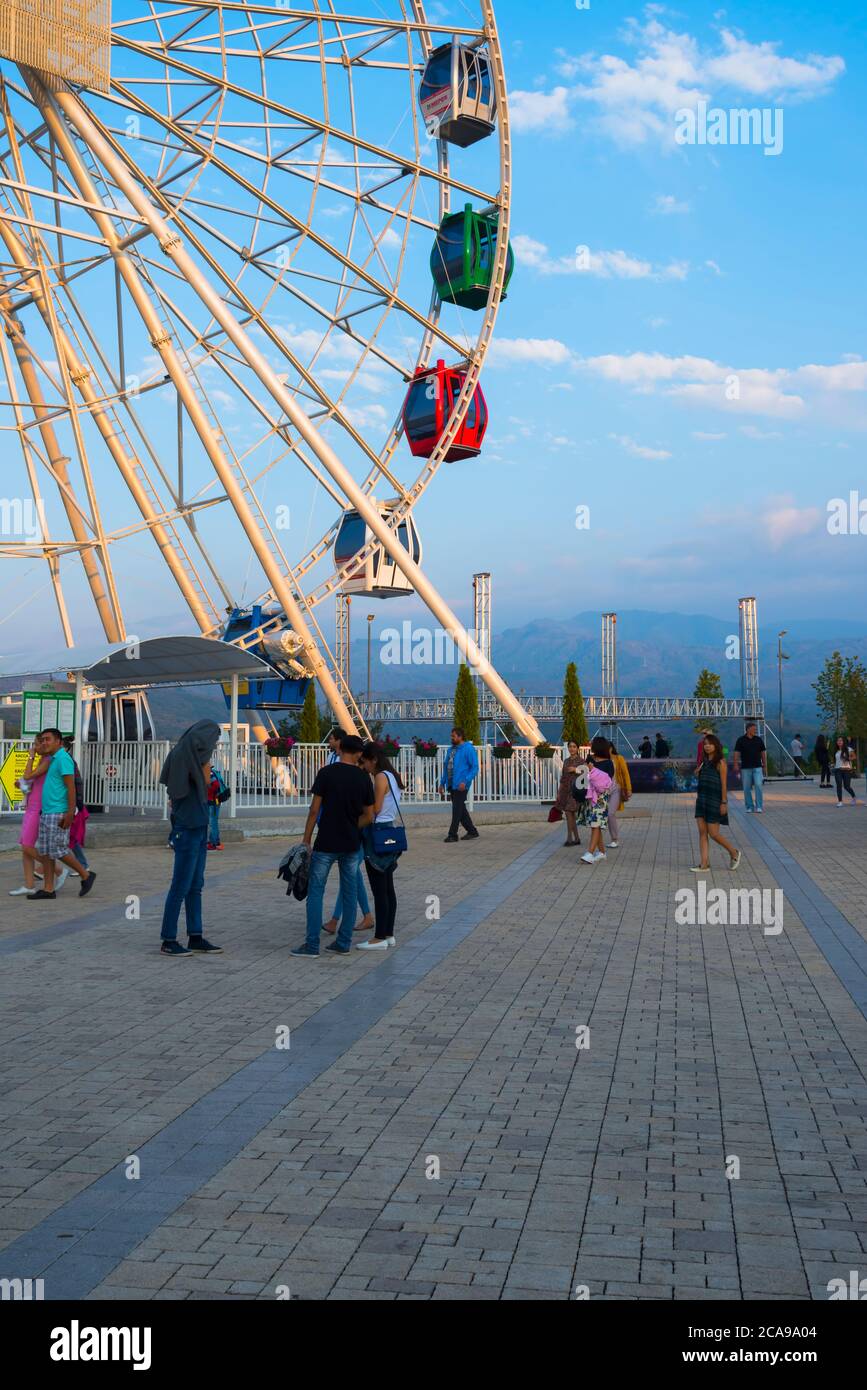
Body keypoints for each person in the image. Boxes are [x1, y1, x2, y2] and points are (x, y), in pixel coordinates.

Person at [292, 733, 375, 957]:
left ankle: (311, 945)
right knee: (349, 892)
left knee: (316, 891)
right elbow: (369, 815)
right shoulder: (363, 778)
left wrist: (306, 839)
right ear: (358, 753)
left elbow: (314, 810)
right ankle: (343, 942)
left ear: (339, 750)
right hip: (350, 843)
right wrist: (352, 825)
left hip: (326, 841)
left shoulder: (326, 774)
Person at [159, 719, 223, 955]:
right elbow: (205, 781)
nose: (214, 746)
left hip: (198, 826)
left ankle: (195, 935)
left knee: (196, 884)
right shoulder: (189, 760)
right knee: (181, 885)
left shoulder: (190, 757)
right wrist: (205, 764)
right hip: (187, 828)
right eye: (213, 741)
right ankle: (168, 938)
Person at [27, 728, 95, 900]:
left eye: (48, 739)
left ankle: (86, 875)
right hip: (48, 812)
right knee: (46, 852)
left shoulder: (63, 759)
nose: (44, 743)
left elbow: (70, 787)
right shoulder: (54, 759)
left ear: (58, 741)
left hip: (58, 812)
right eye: (42, 740)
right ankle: (48, 889)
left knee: (59, 850)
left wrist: (70, 813)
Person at [322, 735, 375, 937]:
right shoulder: (360, 774)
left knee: (351, 875)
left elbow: (369, 811)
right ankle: (364, 916)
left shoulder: (361, 775)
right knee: (353, 875)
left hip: (358, 832)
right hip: (356, 831)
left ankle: (338, 921)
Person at [356, 741, 404, 951]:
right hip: (391, 831)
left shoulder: (380, 777)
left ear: (373, 759)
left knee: (379, 888)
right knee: (388, 888)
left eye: (364, 762)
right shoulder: (392, 775)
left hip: (378, 832)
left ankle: (379, 937)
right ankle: (389, 933)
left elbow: (375, 809)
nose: (363, 766)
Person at [9, 735, 67, 896]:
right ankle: (29, 885)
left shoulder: (48, 760)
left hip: (39, 807)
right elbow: (32, 780)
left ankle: (58, 870)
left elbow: (28, 775)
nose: (34, 747)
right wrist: (22, 783)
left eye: (36, 744)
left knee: (28, 846)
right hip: (31, 806)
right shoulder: (42, 760)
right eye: (34, 745)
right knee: (25, 847)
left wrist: (30, 756)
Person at [692, 733, 740, 871]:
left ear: (716, 746)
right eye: (705, 744)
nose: (707, 746)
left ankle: (733, 852)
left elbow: (724, 785)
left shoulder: (721, 762)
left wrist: (724, 802)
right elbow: (701, 777)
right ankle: (704, 864)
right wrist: (698, 771)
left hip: (715, 800)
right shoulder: (703, 762)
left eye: (710, 744)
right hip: (701, 799)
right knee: (702, 832)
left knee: (713, 834)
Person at [439, 726, 479, 842]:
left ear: (460, 737)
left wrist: (465, 780)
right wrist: (442, 784)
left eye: (453, 736)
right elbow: (446, 768)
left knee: (456, 810)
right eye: (451, 736)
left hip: (461, 785)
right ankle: (472, 831)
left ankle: (453, 835)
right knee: (460, 810)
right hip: (452, 785)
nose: (451, 738)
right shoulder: (450, 750)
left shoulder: (468, 749)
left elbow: (475, 767)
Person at [581, 737, 613, 864]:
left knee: (596, 824)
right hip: (591, 796)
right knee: (595, 825)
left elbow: (605, 781)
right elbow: (584, 776)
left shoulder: (608, 763)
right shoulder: (590, 759)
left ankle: (590, 853)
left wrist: (592, 770)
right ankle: (602, 852)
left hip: (601, 798)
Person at [554, 740, 584, 847]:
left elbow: (586, 773)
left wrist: (576, 770)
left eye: (574, 746)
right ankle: (577, 838)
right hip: (567, 791)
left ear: (577, 748)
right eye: (570, 746)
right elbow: (563, 777)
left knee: (568, 812)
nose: (572, 748)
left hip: (576, 792)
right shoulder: (566, 761)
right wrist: (560, 792)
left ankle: (569, 838)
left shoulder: (581, 761)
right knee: (570, 815)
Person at [733, 721, 767, 814]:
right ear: (748, 729)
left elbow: (763, 753)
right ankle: (749, 806)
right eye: (753, 729)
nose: (755, 730)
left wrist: (764, 765)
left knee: (758, 785)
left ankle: (759, 806)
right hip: (745, 767)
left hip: (757, 767)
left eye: (755, 729)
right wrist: (735, 764)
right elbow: (736, 752)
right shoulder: (741, 740)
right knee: (746, 787)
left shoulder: (758, 740)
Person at [607, 741, 632, 848]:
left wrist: (629, 788)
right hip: (605, 791)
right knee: (608, 815)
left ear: (612, 748)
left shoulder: (619, 758)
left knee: (610, 813)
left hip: (616, 789)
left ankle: (615, 839)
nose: (606, 750)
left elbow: (625, 773)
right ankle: (612, 838)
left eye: (608, 748)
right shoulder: (602, 760)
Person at [832, 736, 857, 807]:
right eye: (838, 741)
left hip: (846, 770)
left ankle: (854, 797)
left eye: (841, 740)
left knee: (847, 786)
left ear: (843, 742)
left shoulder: (848, 749)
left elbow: (854, 757)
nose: (839, 742)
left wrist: (847, 758)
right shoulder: (836, 750)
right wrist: (833, 764)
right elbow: (836, 760)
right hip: (838, 770)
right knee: (839, 785)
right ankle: (840, 801)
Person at [206, 763, 226, 850]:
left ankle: (213, 843)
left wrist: (209, 795)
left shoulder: (209, 774)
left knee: (212, 822)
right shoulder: (214, 772)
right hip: (216, 800)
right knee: (214, 821)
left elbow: (215, 785)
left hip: (212, 801)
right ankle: (217, 842)